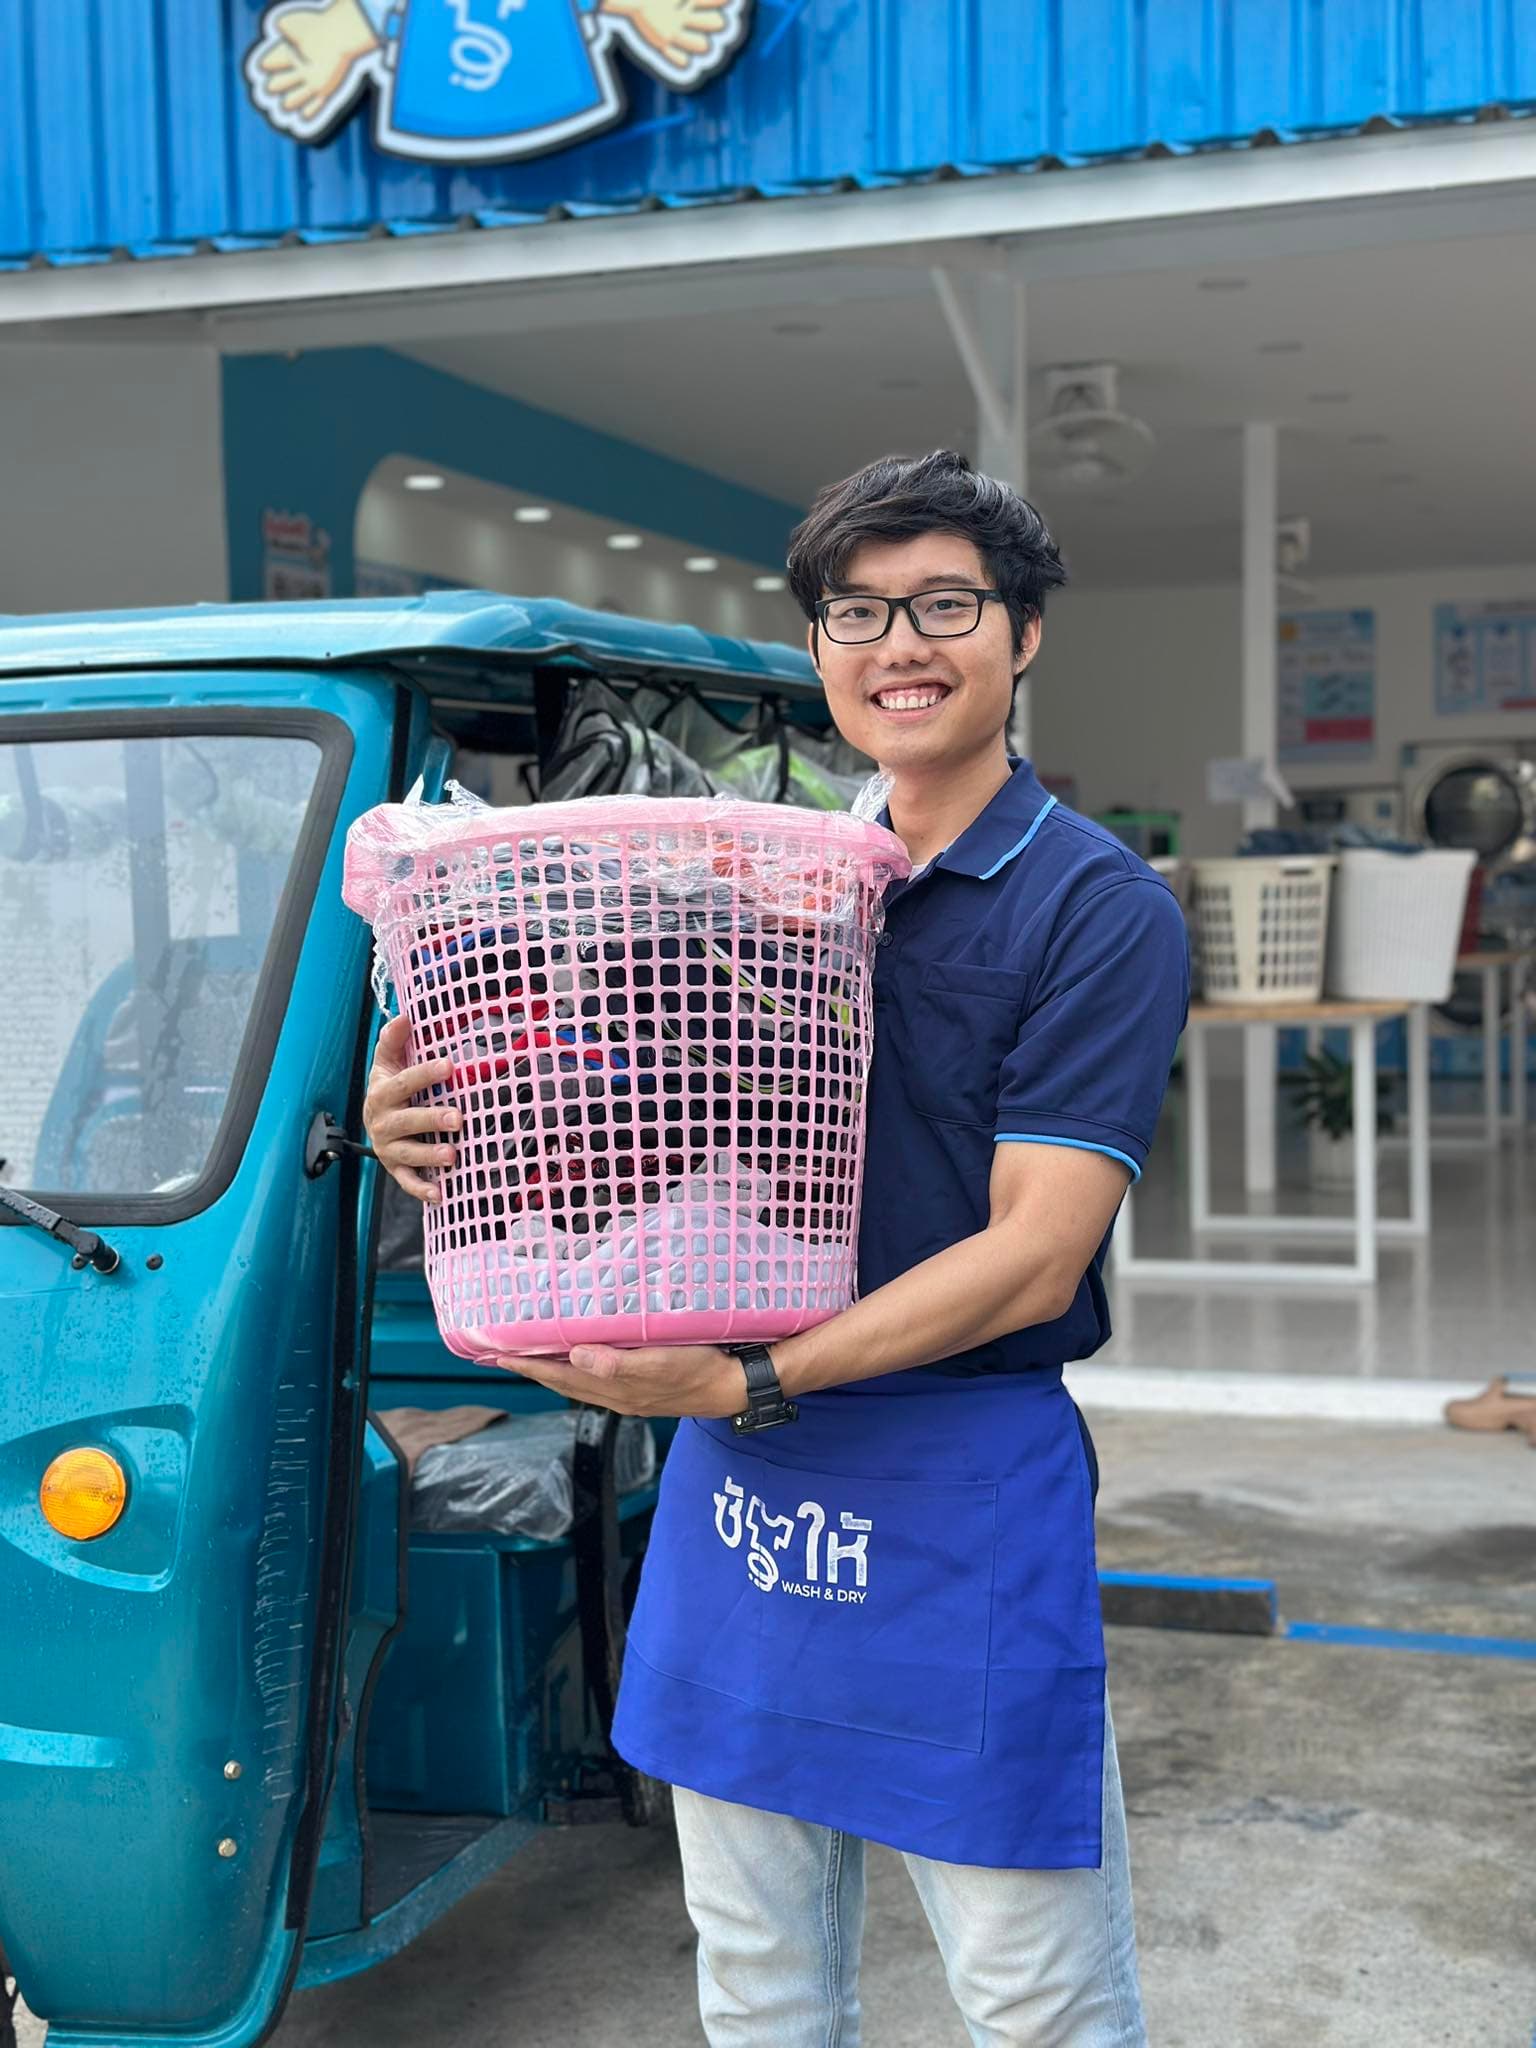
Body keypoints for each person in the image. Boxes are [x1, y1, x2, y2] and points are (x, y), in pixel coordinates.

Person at [363, 450, 1189, 2046]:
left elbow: (1034, 1254)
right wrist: (434, 1118)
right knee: (755, 1980)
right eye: (856, 613)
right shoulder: (760, 881)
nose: (901, 646)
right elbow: (626, 1110)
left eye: (947, 605)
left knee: (1034, 1999)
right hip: (742, 1482)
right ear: (817, 651)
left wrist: (748, 1369)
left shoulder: (1093, 907)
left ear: (1024, 636)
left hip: (953, 1476)